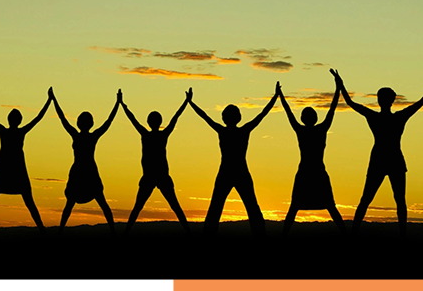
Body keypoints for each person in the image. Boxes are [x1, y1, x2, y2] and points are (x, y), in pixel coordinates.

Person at [335, 69, 423, 237]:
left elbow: (349, 102)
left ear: (379, 100)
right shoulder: (398, 117)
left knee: (368, 199)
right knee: (396, 200)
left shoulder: (375, 116)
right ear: (392, 101)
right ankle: (399, 233)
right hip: (392, 160)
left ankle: (355, 233)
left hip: (383, 160)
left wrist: (340, 84)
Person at [188, 85, 279, 237]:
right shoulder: (243, 130)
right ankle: (260, 234)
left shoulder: (223, 130)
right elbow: (262, 114)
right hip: (239, 172)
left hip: (227, 172)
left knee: (217, 208)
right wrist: (275, 96)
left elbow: (204, 116)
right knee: (251, 207)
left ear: (224, 118)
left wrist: (191, 102)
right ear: (238, 117)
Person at [0, 84, 50, 234]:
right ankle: (42, 230)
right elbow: (38, 117)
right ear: (19, 120)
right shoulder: (18, 131)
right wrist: (49, 100)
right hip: (10, 171)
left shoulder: (6, 131)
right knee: (27, 203)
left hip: (10, 171)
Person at [278, 72, 346, 236]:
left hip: (309, 172)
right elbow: (332, 109)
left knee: (297, 207)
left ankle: (284, 235)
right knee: (326, 206)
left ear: (303, 118)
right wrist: (338, 88)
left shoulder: (303, 130)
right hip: (314, 172)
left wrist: (280, 95)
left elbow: (289, 113)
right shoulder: (319, 129)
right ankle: (346, 234)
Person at [120, 89, 190, 235]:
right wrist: (186, 102)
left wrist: (122, 105)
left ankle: (126, 232)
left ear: (150, 122)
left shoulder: (148, 134)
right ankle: (189, 232)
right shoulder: (157, 134)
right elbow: (175, 118)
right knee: (172, 207)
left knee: (141, 207)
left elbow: (133, 119)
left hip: (158, 176)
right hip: (153, 177)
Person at [51, 88, 120, 236]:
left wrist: (117, 103)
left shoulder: (80, 136)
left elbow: (63, 119)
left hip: (85, 172)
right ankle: (113, 231)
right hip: (83, 172)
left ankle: (61, 232)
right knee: (96, 204)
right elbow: (108, 121)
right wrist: (117, 103)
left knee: (75, 205)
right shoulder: (87, 136)